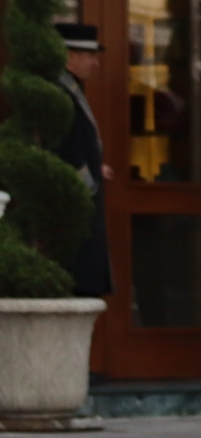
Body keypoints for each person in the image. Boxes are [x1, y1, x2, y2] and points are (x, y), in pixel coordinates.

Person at [52, 22, 112, 300]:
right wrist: (88, 183)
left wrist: (95, 166)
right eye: (90, 56)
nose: (95, 63)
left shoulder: (70, 89)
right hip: (73, 208)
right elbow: (63, 146)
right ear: (69, 56)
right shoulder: (58, 92)